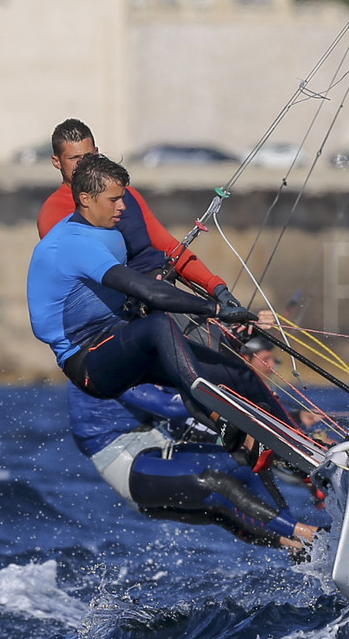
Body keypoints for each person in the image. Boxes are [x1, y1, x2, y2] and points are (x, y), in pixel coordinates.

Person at [27, 153, 294, 433]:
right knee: (159, 324)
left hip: (123, 342)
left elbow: (150, 270)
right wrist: (215, 309)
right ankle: (219, 416)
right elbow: (148, 291)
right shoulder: (73, 243)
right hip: (88, 362)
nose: (122, 207)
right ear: (85, 199)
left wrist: (217, 289)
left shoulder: (108, 232)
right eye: (114, 200)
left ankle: (296, 440)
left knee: (238, 373)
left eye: (123, 198)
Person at [67, 380, 319, 552]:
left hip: (157, 446)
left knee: (245, 462)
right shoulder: (105, 359)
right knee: (218, 489)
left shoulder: (132, 345)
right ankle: (309, 535)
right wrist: (239, 408)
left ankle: (301, 547)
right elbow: (169, 406)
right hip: (127, 466)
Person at [37, 118, 243, 314]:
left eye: (89, 156)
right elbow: (79, 275)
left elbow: (169, 247)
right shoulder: (53, 213)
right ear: (57, 162)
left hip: (160, 291)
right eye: (74, 159)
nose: (83, 164)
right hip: (122, 314)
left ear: (97, 152)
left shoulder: (126, 195)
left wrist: (216, 287)